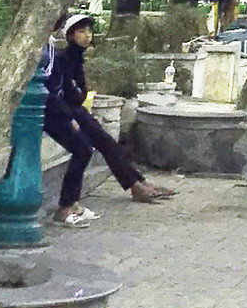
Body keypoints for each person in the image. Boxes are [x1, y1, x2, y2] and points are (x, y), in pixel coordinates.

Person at [43, 14, 174, 225]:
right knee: (86, 148)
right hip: (62, 111)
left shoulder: (71, 56)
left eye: (89, 31)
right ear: (69, 35)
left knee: (106, 142)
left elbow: (79, 92)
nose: (87, 36)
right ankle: (68, 206)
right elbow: (62, 91)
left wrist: (77, 96)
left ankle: (137, 183)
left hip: (72, 109)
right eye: (81, 32)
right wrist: (70, 113)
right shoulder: (58, 56)